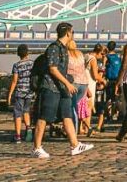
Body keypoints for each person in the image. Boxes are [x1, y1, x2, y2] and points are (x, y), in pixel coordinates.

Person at [32, 22, 94, 159]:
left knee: (67, 115)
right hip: (51, 87)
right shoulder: (54, 48)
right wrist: (68, 83)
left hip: (62, 89)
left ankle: (75, 145)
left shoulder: (64, 49)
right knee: (43, 118)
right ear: (68, 33)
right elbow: (52, 69)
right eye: (72, 33)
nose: (72, 35)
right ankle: (37, 148)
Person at [7, 44, 34, 143]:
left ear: (18, 54)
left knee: (18, 113)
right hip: (29, 91)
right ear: (27, 52)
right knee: (26, 111)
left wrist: (10, 94)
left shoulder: (16, 65)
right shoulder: (32, 63)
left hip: (20, 92)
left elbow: (14, 81)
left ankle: (17, 136)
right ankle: (28, 130)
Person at [97, 40, 121, 133]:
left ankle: (107, 115)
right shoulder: (118, 56)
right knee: (114, 98)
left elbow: (103, 68)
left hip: (108, 80)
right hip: (117, 80)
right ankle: (114, 113)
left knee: (105, 99)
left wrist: (100, 79)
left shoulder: (106, 57)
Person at [81, 44, 105, 137]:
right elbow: (95, 75)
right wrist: (103, 80)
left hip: (83, 82)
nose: (102, 57)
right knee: (89, 107)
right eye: (102, 54)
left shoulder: (86, 56)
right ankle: (87, 129)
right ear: (99, 52)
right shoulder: (93, 59)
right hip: (90, 83)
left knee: (82, 105)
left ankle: (80, 128)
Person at [67, 40, 89, 132]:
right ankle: (75, 129)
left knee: (71, 107)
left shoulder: (66, 54)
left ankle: (73, 130)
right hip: (84, 83)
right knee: (75, 105)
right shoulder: (80, 53)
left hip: (73, 82)